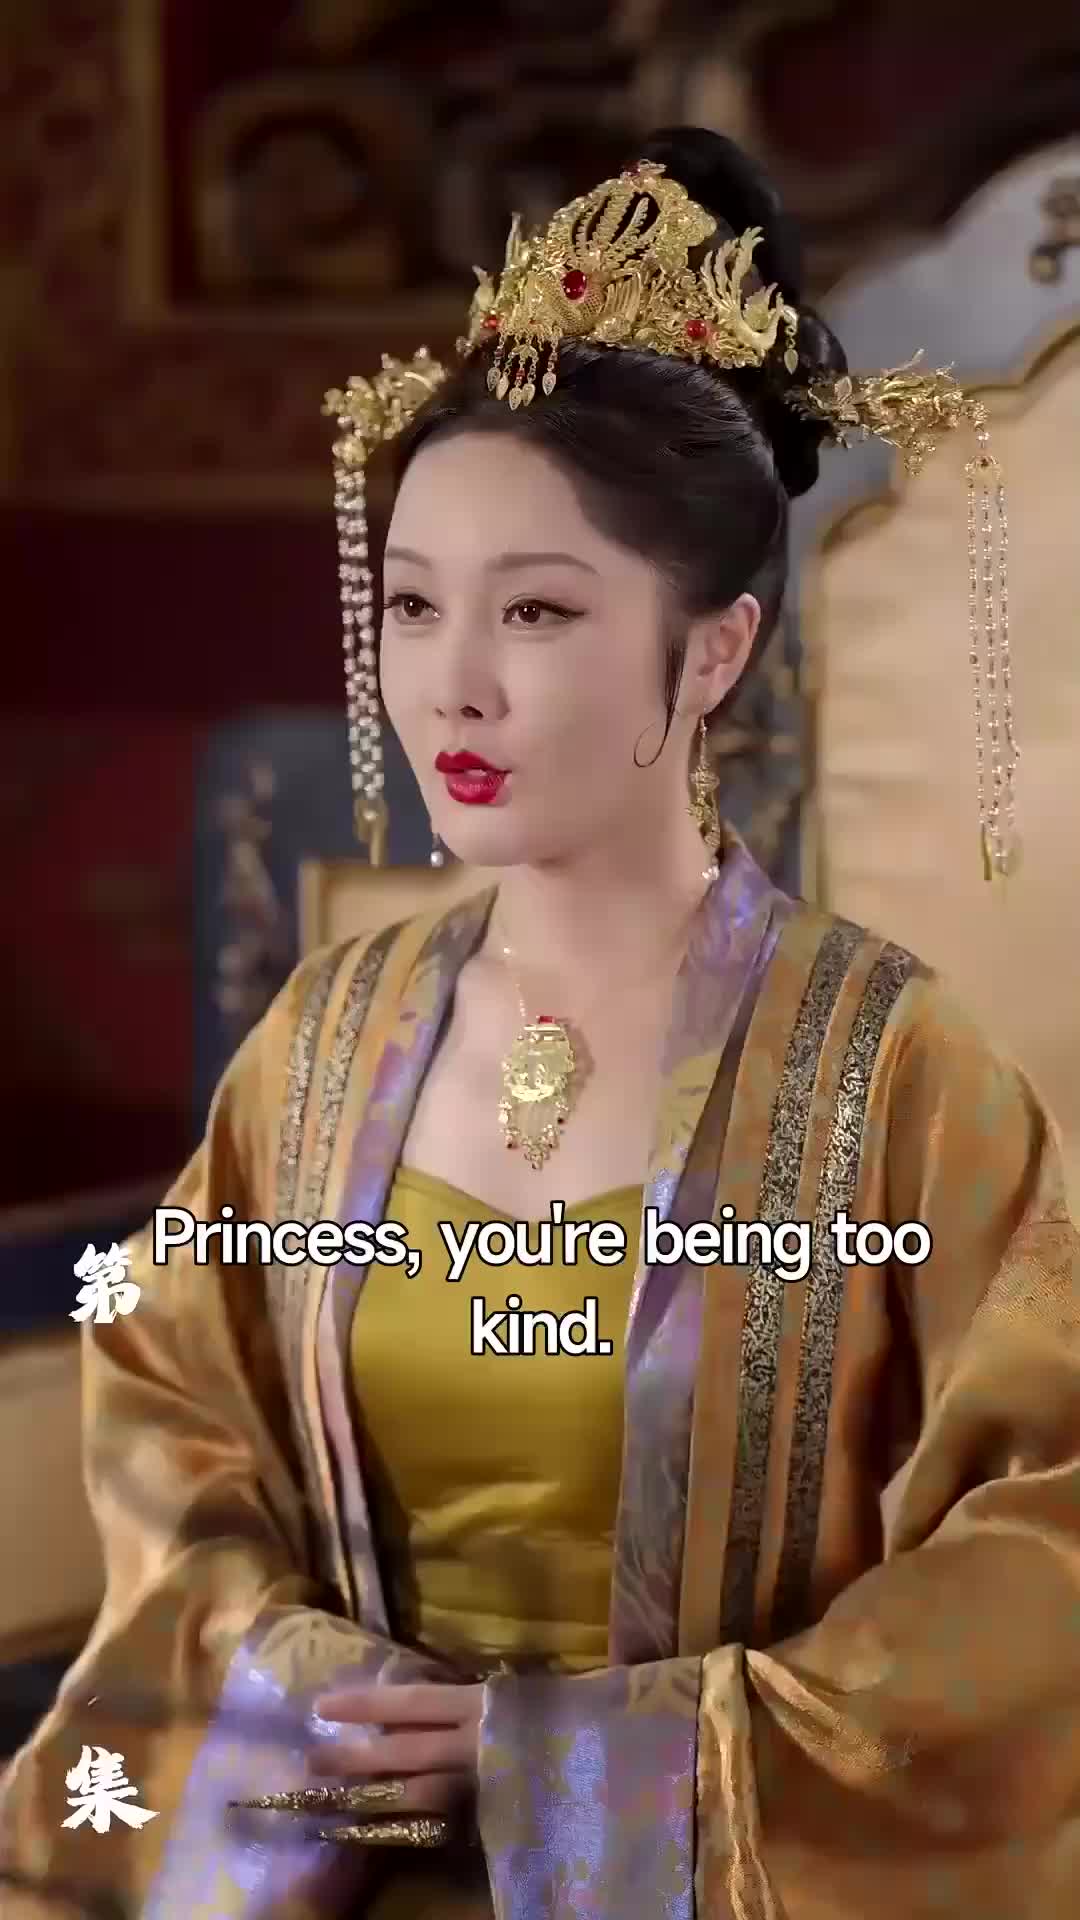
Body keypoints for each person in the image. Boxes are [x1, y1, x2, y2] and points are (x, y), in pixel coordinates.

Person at [3, 126, 1078, 1920]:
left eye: (539, 612)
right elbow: (168, 1402)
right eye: (414, 606)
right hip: (327, 1864)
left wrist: (573, 1768)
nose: (454, 686)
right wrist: (308, 1695)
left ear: (713, 650)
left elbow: (1047, 1542)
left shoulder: (892, 1071)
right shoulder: (327, 1045)